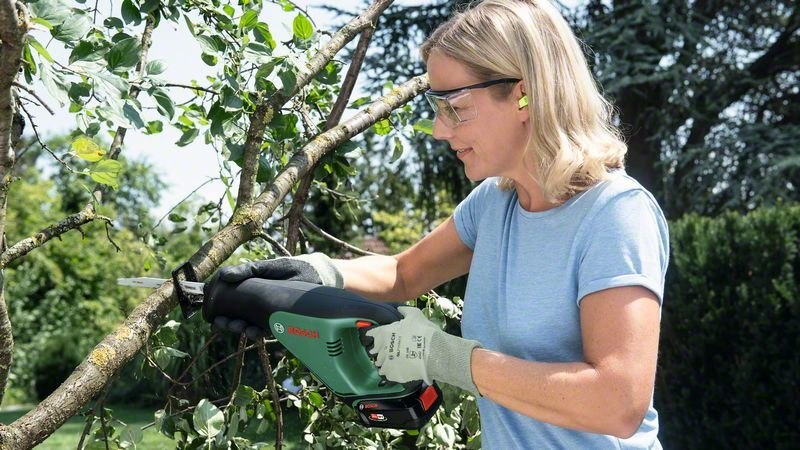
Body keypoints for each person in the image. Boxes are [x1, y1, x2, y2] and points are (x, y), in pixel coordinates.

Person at [207, 0, 669, 448]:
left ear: (525, 93)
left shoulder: (614, 214)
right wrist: (315, 273)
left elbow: (619, 403)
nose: (439, 129)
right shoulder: (496, 203)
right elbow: (404, 274)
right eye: (436, 106)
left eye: (456, 107)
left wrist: (440, 356)